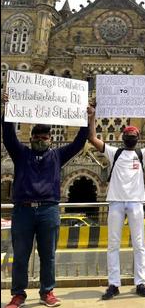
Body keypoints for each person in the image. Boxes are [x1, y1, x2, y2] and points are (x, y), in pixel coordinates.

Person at [2, 93, 89, 308]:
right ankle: (18, 295)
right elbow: (8, 136)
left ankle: (47, 292)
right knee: (20, 255)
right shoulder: (21, 154)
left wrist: (87, 119)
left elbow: (79, 143)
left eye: (44, 137)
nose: (41, 140)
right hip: (23, 210)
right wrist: (8, 109)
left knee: (48, 255)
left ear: (51, 139)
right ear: (31, 138)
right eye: (37, 137)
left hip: (48, 209)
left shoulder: (57, 155)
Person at [87, 104, 145, 300]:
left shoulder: (142, 154)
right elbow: (92, 138)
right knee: (113, 244)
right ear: (124, 139)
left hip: (136, 203)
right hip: (115, 202)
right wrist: (93, 116)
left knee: (139, 244)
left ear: (137, 139)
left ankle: (141, 283)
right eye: (128, 135)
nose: (131, 137)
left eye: (133, 135)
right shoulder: (114, 153)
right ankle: (113, 284)